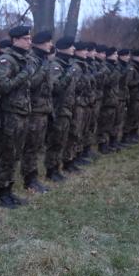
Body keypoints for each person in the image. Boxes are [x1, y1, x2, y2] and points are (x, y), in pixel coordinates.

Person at [0, 25, 34, 208]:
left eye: (30, 38)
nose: (29, 42)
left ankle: (9, 190)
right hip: (9, 114)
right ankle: (2, 193)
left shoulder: (25, 59)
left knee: (16, 154)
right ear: (15, 40)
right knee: (6, 154)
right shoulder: (7, 60)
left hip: (22, 113)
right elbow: (2, 87)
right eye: (26, 39)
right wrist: (23, 76)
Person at [21, 31, 54, 193]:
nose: (51, 45)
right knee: (31, 147)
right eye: (48, 42)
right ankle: (30, 179)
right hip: (33, 110)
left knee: (37, 146)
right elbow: (31, 83)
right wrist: (43, 69)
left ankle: (33, 177)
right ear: (40, 43)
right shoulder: (32, 60)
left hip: (43, 109)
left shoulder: (43, 59)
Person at [44, 36, 78, 182]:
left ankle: (56, 167)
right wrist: (69, 74)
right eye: (71, 46)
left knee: (62, 141)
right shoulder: (56, 65)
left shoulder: (66, 64)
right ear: (64, 48)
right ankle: (51, 170)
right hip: (57, 111)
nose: (74, 49)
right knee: (55, 141)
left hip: (66, 109)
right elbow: (56, 88)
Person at [63, 41, 89, 174]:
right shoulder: (74, 66)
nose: (87, 52)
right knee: (73, 133)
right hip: (74, 103)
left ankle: (74, 158)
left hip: (80, 102)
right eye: (84, 50)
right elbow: (73, 87)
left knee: (78, 131)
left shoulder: (81, 65)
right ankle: (68, 161)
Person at [96, 46, 122, 153]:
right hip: (106, 100)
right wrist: (115, 73)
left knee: (112, 123)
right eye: (115, 54)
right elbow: (105, 83)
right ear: (109, 55)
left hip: (113, 100)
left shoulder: (114, 67)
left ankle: (110, 143)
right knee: (104, 124)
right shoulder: (105, 67)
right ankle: (102, 145)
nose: (117, 56)